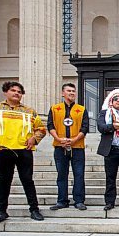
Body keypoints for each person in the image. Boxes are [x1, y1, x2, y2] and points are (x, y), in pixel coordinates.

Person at [0, 81, 46, 222]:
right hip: (2, 149)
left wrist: (34, 138)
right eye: (13, 90)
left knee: (27, 180)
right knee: (4, 181)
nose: (16, 93)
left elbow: (41, 129)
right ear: (6, 92)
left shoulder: (29, 111)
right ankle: (1, 211)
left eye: (19, 92)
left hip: (24, 150)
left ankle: (34, 209)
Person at [48, 83, 89, 211]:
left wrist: (74, 139)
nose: (71, 93)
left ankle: (79, 200)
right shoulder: (55, 109)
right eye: (69, 91)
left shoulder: (81, 109)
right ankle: (62, 200)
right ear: (62, 93)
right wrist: (59, 139)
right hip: (60, 147)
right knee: (61, 174)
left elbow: (85, 127)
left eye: (73, 91)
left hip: (77, 147)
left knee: (79, 174)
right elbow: (50, 126)